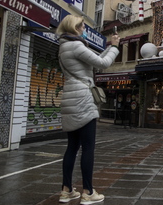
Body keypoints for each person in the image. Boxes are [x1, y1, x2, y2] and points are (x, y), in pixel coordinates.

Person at [56, 15, 120, 204]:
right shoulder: (76, 45)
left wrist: (108, 47)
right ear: (75, 28)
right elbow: (103, 64)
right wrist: (115, 47)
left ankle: (66, 190)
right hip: (82, 99)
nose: (84, 28)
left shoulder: (64, 46)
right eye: (82, 25)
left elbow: (94, 60)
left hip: (70, 97)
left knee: (72, 148)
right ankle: (88, 192)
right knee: (88, 148)